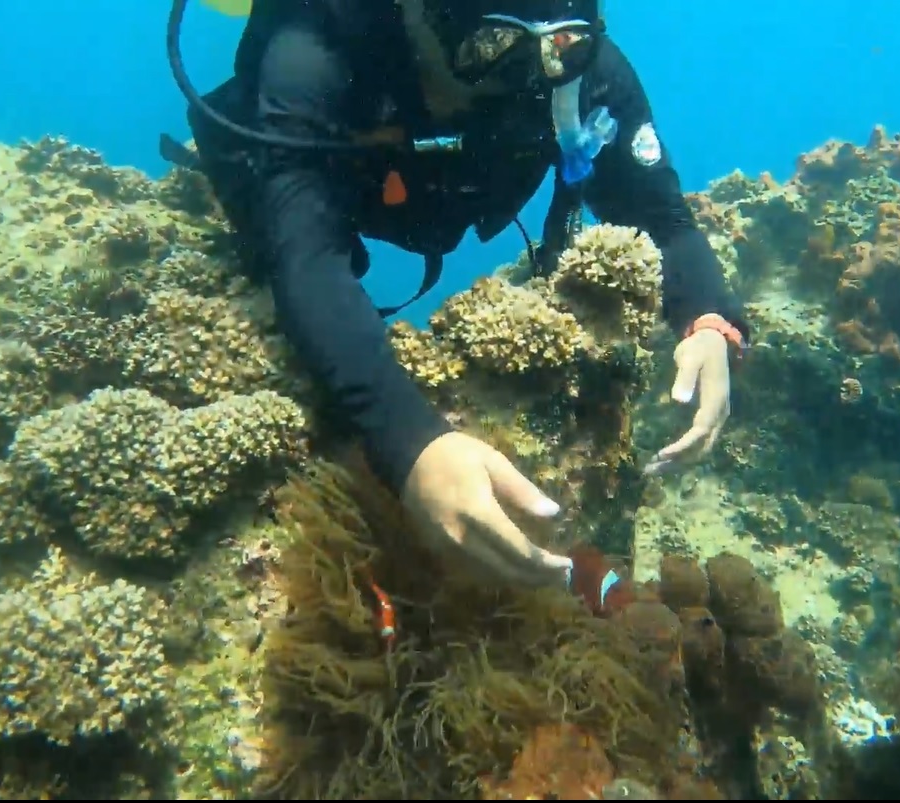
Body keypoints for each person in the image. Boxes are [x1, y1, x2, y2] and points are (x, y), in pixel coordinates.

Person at [170, 0, 750, 589]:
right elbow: (308, 260)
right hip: (330, 181)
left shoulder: (575, 65)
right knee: (270, 250)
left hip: (427, 196)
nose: (523, 70)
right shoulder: (317, 47)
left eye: (559, 45)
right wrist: (412, 446)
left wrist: (708, 316)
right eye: (492, 46)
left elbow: (663, 216)